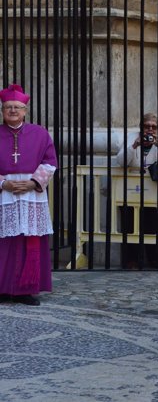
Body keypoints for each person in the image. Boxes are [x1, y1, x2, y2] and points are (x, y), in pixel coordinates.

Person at [0, 84, 57, 306]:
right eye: (8, 107)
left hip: (31, 194)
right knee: (3, 241)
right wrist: (4, 183)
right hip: (3, 194)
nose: (13, 111)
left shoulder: (40, 134)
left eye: (17, 107)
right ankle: (2, 288)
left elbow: (50, 162)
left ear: (25, 111)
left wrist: (33, 182)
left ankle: (25, 290)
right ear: (3, 111)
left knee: (28, 240)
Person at [115, 112, 158, 269]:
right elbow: (120, 161)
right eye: (147, 126)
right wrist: (134, 146)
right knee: (129, 224)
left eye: (153, 127)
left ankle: (153, 260)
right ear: (141, 128)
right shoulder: (131, 137)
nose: (150, 130)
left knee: (151, 224)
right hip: (129, 188)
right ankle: (130, 260)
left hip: (151, 191)